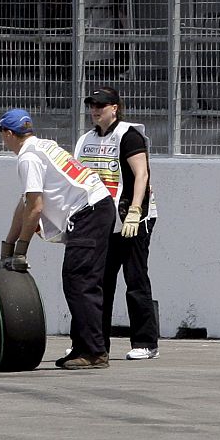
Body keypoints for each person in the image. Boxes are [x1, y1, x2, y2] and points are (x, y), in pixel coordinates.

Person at [0, 108, 116, 370]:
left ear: (7, 133)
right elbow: (26, 204)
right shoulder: (43, 146)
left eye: (1, 133)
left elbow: (35, 208)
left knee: (80, 282)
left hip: (89, 212)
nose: (2, 139)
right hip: (97, 207)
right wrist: (9, 245)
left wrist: (21, 250)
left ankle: (94, 352)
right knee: (81, 281)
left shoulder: (27, 158)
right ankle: (85, 347)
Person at [74, 87, 159, 360]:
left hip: (134, 219)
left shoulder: (129, 135)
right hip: (103, 222)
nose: (95, 110)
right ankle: (97, 344)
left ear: (115, 108)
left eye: (101, 105)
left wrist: (135, 212)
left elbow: (142, 174)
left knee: (135, 280)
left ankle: (146, 343)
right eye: (92, 105)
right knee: (100, 282)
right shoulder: (85, 140)